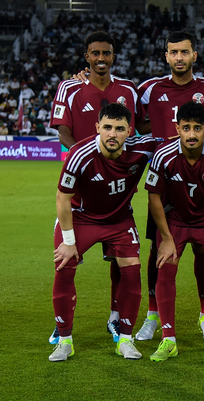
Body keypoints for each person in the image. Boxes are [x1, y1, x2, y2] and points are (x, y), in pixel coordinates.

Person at [48, 31, 148, 346]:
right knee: (65, 262)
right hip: (82, 189)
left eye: (106, 53)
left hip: (118, 198)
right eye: (95, 54)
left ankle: (116, 318)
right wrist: (88, 157)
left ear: (113, 56)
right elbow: (62, 129)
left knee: (122, 264)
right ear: (87, 56)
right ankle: (61, 325)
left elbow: (142, 127)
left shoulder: (129, 89)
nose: (101, 59)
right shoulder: (70, 86)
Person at [135, 30, 204, 343]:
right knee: (156, 252)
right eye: (173, 52)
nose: (179, 58)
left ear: (194, 56)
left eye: (184, 52)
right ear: (166, 56)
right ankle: (152, 316)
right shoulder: (148, 89)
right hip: (166, 184)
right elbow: (128, 118)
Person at [49, 103, 159, 362]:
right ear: (97, 127)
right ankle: (64, 340)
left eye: (119, 129)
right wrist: (68, 241)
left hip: (119, 221)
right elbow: (62, 198)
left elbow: (177, 140)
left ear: (129, 131)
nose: (112, 134)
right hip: (80, 218)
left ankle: (125, 339)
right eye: (107, 127)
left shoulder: (142, 148)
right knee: (64, 267)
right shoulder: (79, 153)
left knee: (132, 272)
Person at [145, 102, 204, 362]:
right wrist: (165, 238)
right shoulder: (164, 155)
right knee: (165, 266)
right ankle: (168, 340)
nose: (191, 134)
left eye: (197, 128)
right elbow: (153, 197)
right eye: (186, 128)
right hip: (175, 218)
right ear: (177, 129)